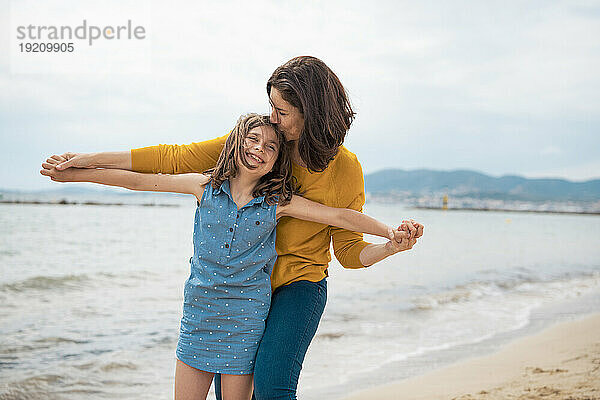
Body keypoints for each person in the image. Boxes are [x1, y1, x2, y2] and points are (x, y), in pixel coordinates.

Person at [42, 56, 424, 399]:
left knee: (273, 387)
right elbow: (169, 160)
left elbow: (348, 244)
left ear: (312, 112)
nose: (273, 119)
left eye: (283, 111)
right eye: (271, 107)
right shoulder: (258, 142)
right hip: (238, 294)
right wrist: (84, 162)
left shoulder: (339, 169)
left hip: (297, 286)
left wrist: (391, 242)